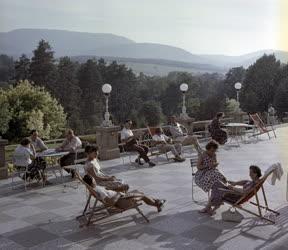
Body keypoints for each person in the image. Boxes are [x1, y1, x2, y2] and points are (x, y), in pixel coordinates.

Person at [83, 174, 166, 212]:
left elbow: (108, 193)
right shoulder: (99, 190)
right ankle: (158, 204)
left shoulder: (95, 188)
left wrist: (118, 189)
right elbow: (110, 203)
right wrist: (119, 194)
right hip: (122, 202)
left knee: (138, 191)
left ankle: (157, 201)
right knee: (143, 196)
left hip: (122, 198)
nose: (94, 179)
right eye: (93, 179)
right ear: (92, 181)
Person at [195, 141, 226, 206]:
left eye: (215, 151)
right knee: (218, 182)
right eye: (212, 151)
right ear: (208, 149)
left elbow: (215, 163)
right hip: (203, 173)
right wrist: (208, 165)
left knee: (220, 181)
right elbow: (198, 167)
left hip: (212, 171)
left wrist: (215, 164)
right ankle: (216, 199)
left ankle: (217, 198)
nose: (213, 152)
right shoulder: (202, 155)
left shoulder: (214, 155)